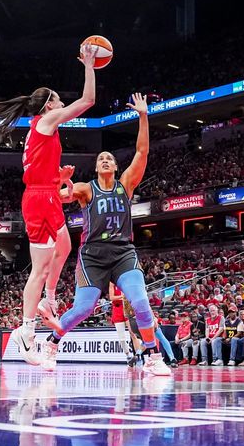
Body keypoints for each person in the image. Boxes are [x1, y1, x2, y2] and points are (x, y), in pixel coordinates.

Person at [0, 44, 98, 365]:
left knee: (64, 245)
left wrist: (57, 180)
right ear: (49, 105)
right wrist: (89, 65)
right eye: (58, 99)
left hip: (44, 194)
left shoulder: (40, 130)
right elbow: (88, 101)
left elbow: (40, 177)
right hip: (38, 200)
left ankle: (48, 301)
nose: (62, 102)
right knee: (40, 269)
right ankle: (27, 329)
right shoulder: (47, 121)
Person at [40, 93, 169, 375]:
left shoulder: (126, 185)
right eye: (101, 158)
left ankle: (152, 356)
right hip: (93, 255)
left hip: (123, 253)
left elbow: (142, 152)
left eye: (110, 158)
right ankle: (51, 344)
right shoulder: (87, 188)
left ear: (116, 166)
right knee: (83, 309)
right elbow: (62, 197)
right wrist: (61, 181)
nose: (106, 160)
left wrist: (143, 116)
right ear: (97, 167)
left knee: (141, 302)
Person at [109, 283, 137, 366]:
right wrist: (123, 297)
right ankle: (128, 355)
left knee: (133, 334)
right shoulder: (112, 284)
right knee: (122, 338)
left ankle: (138, 355)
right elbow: (111, 297)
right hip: (117, 310)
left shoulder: (125, 282)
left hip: (127, 308)